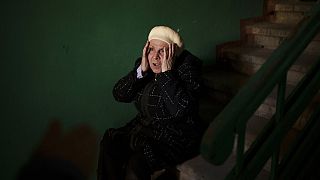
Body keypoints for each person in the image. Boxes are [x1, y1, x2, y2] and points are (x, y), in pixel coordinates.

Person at [97, 26, 206, 180]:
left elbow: (180, 110)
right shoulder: (145, 64)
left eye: (162, 51)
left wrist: (166, 74)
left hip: (174, 136)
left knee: (136, 164)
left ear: (173, 53)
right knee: (111, 142)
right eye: (151, 50)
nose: (155, 57)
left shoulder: (187, 68)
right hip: (144, 129)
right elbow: (119, 94)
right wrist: (141, 70)